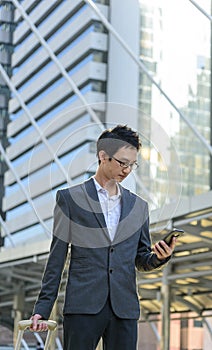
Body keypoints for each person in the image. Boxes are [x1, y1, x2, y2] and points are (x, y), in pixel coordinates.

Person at [31, 125, 176, 350]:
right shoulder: (70, 199)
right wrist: (42, 308)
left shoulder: (139, 207)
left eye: (132, 165)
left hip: (124, 309)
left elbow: (140, 258)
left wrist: (158, 257)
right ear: (103, 156)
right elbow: (56, 258)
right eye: (122, 163)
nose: (127, 170)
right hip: (83, 307)